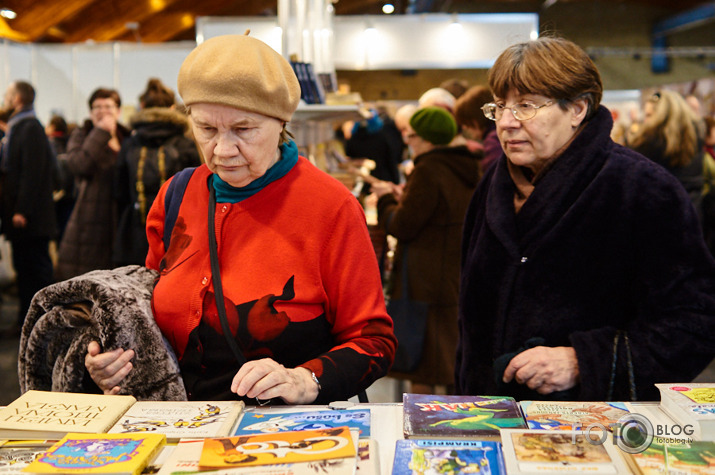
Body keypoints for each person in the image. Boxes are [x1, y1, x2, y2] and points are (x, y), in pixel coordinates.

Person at [85, 34, 396, 404]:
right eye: (207, 129)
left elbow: (375, 341)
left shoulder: (332, 208)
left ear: (281, 123)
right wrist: (114, 365)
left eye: (243, 129)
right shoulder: (176, 194)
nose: (223, 149)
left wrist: (304, 379)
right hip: (178, 428)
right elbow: (148, 314)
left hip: (284, 438)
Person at [456, 36, 715, 402]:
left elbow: (694, 322)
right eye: (499, 107)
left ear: (577, 109)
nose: (507, 123)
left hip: (590, 433)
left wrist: (583, 361)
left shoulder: (642, 190)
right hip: (486, 419)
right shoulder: (492, 187)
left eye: (526, 106)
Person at [372, 106, 480, 394]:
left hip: (425, 283)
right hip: (453, 277)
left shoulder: (428, 168)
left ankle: (420, 430)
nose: (409, 143)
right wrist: (404, 197)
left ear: (425, 139)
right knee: (450, 363)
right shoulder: (468, 167)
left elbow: (403, 225)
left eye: (411, 137)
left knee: (423, 365)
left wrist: (385, 201)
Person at [113, 78, 201, 267]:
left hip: (133, 233)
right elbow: (198, 193)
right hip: (181, 235)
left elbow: (119, 191)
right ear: (172, 108)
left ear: (142, 106)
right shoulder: (185, 144)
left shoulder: (130, 144)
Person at [55, 88, 130, 281]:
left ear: (118, 111)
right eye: (97, 106)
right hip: (90, 222)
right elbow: (79, 165)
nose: (102, 110)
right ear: (90, 112)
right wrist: (101, 133)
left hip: (122, 218)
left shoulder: (127, 137)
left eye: (108, 106)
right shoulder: (83, 134)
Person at [0, 81, 57, 333]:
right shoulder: (20, 127)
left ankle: (45, 323)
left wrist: (22, 209)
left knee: (37, 271)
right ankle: (26, 320)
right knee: (24, 271)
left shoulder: (29, 128)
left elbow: (31, 173)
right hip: (23, 219)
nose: (4, 99)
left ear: (17, 99)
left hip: (31, 219)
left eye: (7, 95)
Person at [627, 90, 705, 216]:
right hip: (693, 215)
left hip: (659, 218)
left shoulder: (647, 146)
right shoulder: (697, 140)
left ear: (661, 117)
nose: (645, 121)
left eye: (649, 115)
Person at [454, 84, 501, 169]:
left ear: (475, 120)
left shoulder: (493, 143)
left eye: (466, 122)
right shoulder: (498, 135)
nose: (464, 128)